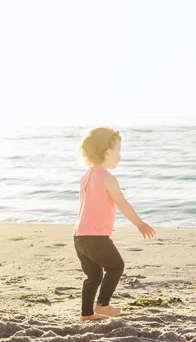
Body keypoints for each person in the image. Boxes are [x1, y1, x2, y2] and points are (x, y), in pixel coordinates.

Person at [73, 127, 155, 321]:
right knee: (116, 266)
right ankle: (102, 304)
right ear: (108, 152)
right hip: (96, 237)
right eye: (118, 151)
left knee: (93, 277)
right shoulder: (108, 178)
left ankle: (86, 314)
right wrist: (139, 223)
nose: (120, 155)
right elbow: (123, 204)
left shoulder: (86, 175)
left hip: (79, 236)